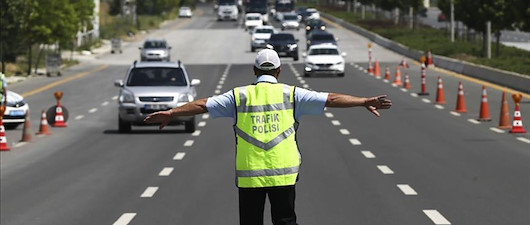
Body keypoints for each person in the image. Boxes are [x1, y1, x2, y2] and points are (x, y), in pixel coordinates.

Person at [144, 49, 392, 225]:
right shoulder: (292, 94)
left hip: (250, 175)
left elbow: (201, 105)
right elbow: (331, 99)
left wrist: (172, 112)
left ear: (254, 70)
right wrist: (363, 101)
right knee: (285, 221)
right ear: (279, 71)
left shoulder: (238, 96)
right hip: (284, 173)